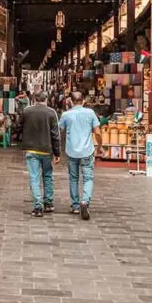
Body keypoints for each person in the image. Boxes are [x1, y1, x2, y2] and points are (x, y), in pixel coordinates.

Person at [18, 91, 61, 217]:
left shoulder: (27, 111)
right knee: (47, 175)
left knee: (34, 177)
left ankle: (38, 206)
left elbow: (18, 126)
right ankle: (48, 202)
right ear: (46, 99)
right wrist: (57, 152)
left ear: (34, 99)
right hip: (46, 149)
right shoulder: (51, 113)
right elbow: (55, 134)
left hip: (31, 149)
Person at [59, 90, 100, 220]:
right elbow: (97, 132)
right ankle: (85, 201)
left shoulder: (66, 114)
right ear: (83, 101)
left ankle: (76, 205)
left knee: (73, 178)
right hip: (87, 151)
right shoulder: (90, 113)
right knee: (88, 178)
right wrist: (100, 145)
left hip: (71, 151)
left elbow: (59, 130)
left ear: (70, 101)